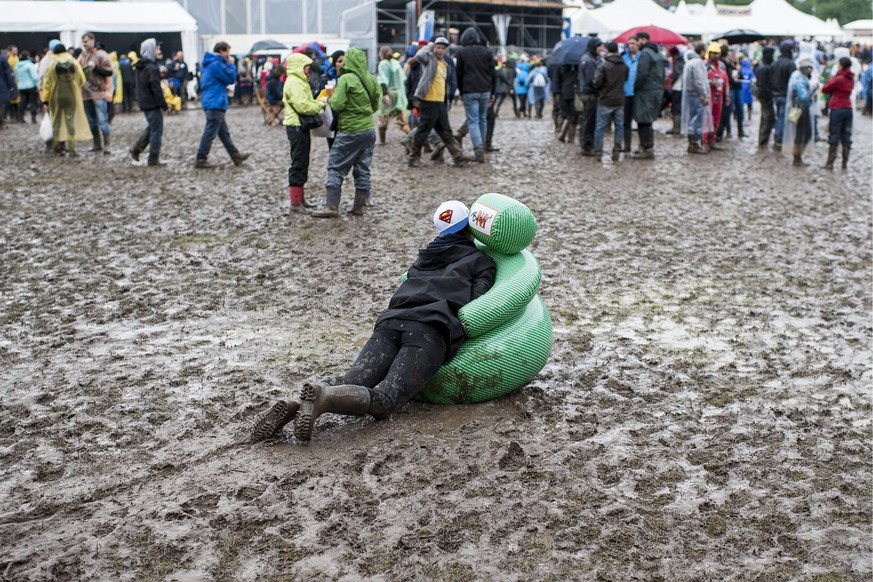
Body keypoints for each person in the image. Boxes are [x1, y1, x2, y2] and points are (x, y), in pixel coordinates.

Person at [251, 200, 497, 443]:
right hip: (428, 330)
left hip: (390, 323)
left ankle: (296, 403)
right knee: (386, 398)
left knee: (354, 378)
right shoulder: (480, 261)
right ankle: (323, 399)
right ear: (470, 228)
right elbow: (479, 305)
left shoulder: (422, 259)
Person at [310, 47, 379, 218]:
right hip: (368, 129)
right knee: (363, 167)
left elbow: (337, 104)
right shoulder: (371, 79)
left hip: (350, 129)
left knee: (335, 166)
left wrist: (331, 98)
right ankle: (358, 207)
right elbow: (376, 104)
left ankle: (331, 207)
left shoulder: (346, 79)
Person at [406, 38, 468, 168]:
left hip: (439, 101)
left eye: (443, 48)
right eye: (438, 47)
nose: (440, 50)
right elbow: (418, 55)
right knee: (423, 130)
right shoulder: (429, 59)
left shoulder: (444, 64)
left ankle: (458, 157)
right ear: (434, 48)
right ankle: (413, 157)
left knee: (446, 131)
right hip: (428, 100)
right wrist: (429, 46)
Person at [194, 41, 250, 168]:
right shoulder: (216, 64)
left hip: (212, 101)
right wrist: (231, 65)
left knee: (224, 133)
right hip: (215, 102)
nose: (228, 56)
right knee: (210, 133)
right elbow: (230, 78)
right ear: (222, 51)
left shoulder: (210, 64)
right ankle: (201, 158)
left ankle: (236, 156)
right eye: (227, 52)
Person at [283, 53, 325, 212]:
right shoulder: (295, 82)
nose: (309, 71)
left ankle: (300, 199)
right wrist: (319, 105)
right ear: (299, 67)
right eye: (306, 68)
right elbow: (303, 106)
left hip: (298, 125)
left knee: (302, 160)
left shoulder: (298, 81)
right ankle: (295, 202)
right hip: (296, 125)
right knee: (298, 162)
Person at [41, 43, 92, 155]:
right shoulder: (73, 62)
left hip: (56, 97)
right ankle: (72, 149)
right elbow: (82, 80)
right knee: (70, 122)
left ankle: (56, 147)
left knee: (56, 122)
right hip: (71, 96)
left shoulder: (52, 64)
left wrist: (45, 100)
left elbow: (47, 84)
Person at [455, 28, 495, 162]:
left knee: (473, 120)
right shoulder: (487, 52)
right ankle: (482, 147)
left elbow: (459, 74)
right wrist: (492, 92)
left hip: (469, 90)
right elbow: (492, 73)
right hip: (485, 90)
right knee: (483, 119)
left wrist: (460, 91)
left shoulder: (461, 53)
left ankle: (478, 150)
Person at [129, 39, 168, 166]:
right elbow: (156, 88)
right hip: (152, 103)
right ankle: (153, 158)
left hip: (145, 102)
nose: (159, 51)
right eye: (157, 48)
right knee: (157, 131)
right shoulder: (151, 68)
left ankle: (136, 149)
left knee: (152, 128)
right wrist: (164, 105)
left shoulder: (141, 66)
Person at [630, 32, 666, 159]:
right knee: (648, 120)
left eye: (637, 40)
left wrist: (633, 87)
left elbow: (642, 73)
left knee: (643, 119)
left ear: (643, 40)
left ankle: (646, 148)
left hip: (646, 91)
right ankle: (647, 147)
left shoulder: (645, 53)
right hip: (657, 90)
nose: (636, 43)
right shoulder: (658, 53)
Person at [591, 41, 628, 161]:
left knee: (600, 127)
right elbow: (626, 79)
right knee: (619, 127)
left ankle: (598, 152)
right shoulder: (624, 66)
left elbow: (596, 83)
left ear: (607, 50)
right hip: (619, 100)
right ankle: (616, 151)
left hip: (605, 100)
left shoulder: (603, 66)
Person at [77, 32, 113, 153]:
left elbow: (109, 72)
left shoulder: (101, 55)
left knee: (102, 119)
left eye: (86, 41)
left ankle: (107, 145)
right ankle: (97, 144)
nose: (84, 44)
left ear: (92, 41)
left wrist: (95, 67)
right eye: (83, 42)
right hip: (86, 93)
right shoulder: (82, 56)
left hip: (99, 93)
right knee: (91, 121)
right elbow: (78, 71)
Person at [821, 57, 854, 170]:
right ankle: (844, 163)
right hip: (848, 108)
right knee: (846, 136)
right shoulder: (851, 78)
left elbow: (825, 88)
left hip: (837, 108)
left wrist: (832, 77)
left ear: (841, 66)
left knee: (834, 134)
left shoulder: (838, 78)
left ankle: (830, 163)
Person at [783, 57, 815, 167]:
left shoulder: (796, 76)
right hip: (801, 109)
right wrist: (813, 90)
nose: (810, 70)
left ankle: (797, 156)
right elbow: (804, 96)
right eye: (809, 68)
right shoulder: (800, 79)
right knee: (803, 133)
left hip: (797, 108)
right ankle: (797, 157)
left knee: (801, 133)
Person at [681, 41, 712, 155]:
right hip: (697, 95)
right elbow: (699, 81)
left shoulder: (689, 63)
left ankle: (691, 142)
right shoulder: (697, 63)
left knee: (691, 119)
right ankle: (695, 143)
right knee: (697, 120)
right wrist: (704, 95)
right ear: (702, 51)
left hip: (690, 94)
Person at [376, 46, 410, 145]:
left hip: (389, 93)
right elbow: (403, 79)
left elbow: (383, 80)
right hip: (398, 94)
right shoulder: (396, 63)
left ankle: (382, 141)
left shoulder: (383, 64)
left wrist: (385, 94)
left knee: (383, 118)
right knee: (401, 119)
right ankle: (413, 136)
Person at [576, 37, 603, 156]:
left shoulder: (588, 58)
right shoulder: (589, 60)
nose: (601, 48)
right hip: (590, 94)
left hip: (587, 93)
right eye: (599, 46)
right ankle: (587, 145)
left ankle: (587, 144)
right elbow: (592, 80)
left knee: (588, 119)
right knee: (590, 120)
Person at [770, 41, 796, 153]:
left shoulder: (775, 63)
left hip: (776, 94)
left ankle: (778, 137)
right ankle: (779, 139)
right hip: (785, 95)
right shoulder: (790, 64)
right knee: (782, 117)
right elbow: (794, 81)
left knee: (779, 116)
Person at [704, 42, 728, 152]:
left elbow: (726, 81)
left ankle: (712, 140)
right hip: (708, 95)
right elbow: (701, 80)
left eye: (717, 53)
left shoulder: (721, 66)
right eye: (713, 53)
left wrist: (727, 95)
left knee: (716, 119)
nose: (715, 56)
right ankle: (704, 141)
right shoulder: (705, 66)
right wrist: (710, 83)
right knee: (706, 119)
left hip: (719, 95)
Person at [621, 37, 640, 153]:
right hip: (626, 93)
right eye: (629, 44)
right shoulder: (624, 58)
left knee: (640, 120)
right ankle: (627, 145)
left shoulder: (642, 57)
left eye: (633, 43)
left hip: (638, 93)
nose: (631, 46)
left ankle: (640, 145)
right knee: (625, 121)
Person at [755, 46, 776, 148]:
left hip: (764, 95)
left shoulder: (764, 66)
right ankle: (763, 140)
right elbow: (763, 86)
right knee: (768, 117)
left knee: (766, 117)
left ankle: (763, 139)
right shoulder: (764, 68)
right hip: (765, 96)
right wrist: (769, 95)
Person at [556, 58, 579, 144]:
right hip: (573, 94)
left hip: (564, 93)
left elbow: (558, 81)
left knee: (566, 115)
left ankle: (562, 133)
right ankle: (570, 137)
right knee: (573, 116)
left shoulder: (560, 67)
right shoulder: (576, 68)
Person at [14, 50, 39, 123]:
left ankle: (21, 117)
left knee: (23, 102)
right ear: (27, 57)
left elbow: (16, 78)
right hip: (31, 86)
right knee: (33, 103)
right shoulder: (29, 65)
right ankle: (33, 118)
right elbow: (35, 77)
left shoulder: (17, 66)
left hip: (21, 87)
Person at [666, 46, 684, 136]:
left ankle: (676, 128)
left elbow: (676, 73)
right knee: (677, 108)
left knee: (676, 109)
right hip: (680, 88)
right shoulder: (682, 61)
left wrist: (671, 82)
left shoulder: (678, 62)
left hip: (677, 88)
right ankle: (677, 127)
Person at [0, 48, 17, 128]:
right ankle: (1, 121)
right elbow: (8, 73)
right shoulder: (2, 58)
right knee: (3, 103)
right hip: (2, 85)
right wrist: (11, 85)